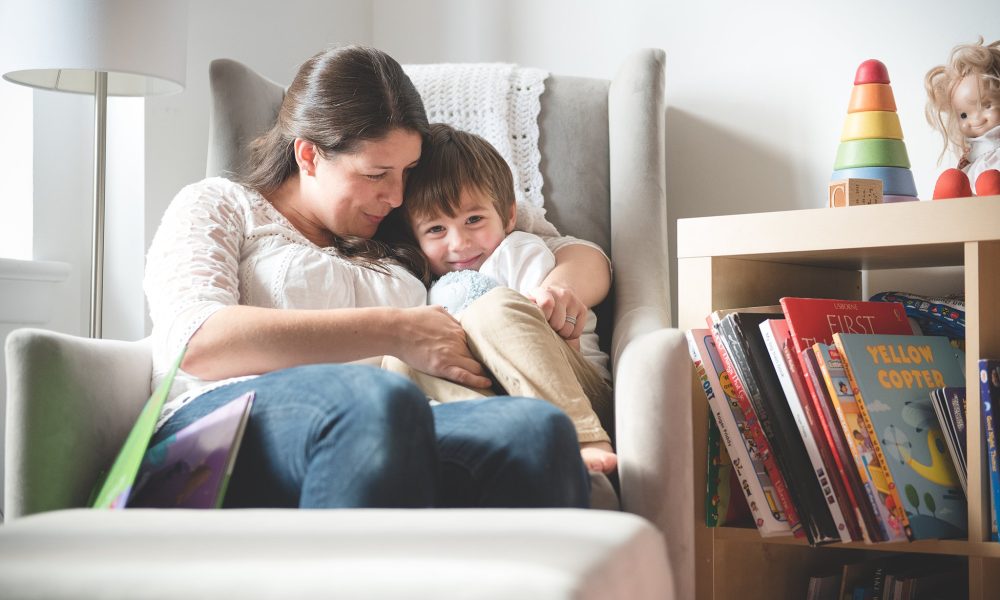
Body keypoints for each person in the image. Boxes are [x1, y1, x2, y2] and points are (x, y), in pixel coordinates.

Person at [143, 45, 612, 509]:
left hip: (402, 419)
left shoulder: (400, 216)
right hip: (225, 419)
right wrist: (396, 330)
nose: (395, 193)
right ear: (308, 156)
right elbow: (194, 341)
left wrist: (561, 290)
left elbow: (570, 249)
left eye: (408, 170)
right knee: (378, 399)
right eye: (376, 174)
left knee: (538, 431)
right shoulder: (223, 205)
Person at [390, 123, 616, 474]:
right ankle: (502, 437)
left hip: (574, 389)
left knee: (492, 310)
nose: (459, 243)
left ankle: (580, 437)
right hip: (503, 402)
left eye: (474, 219)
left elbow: (547, 332)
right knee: (399, 360)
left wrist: (550, 312)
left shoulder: (517, 252)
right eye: (436, 229)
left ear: (509, 215)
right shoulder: (426, 287)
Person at [925, 36, 1000, 199]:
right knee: (952, 181)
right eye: (964, 115)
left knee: (990, 182)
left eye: (986, 106)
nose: (976, 119)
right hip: (971, 209)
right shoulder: (969, 158)